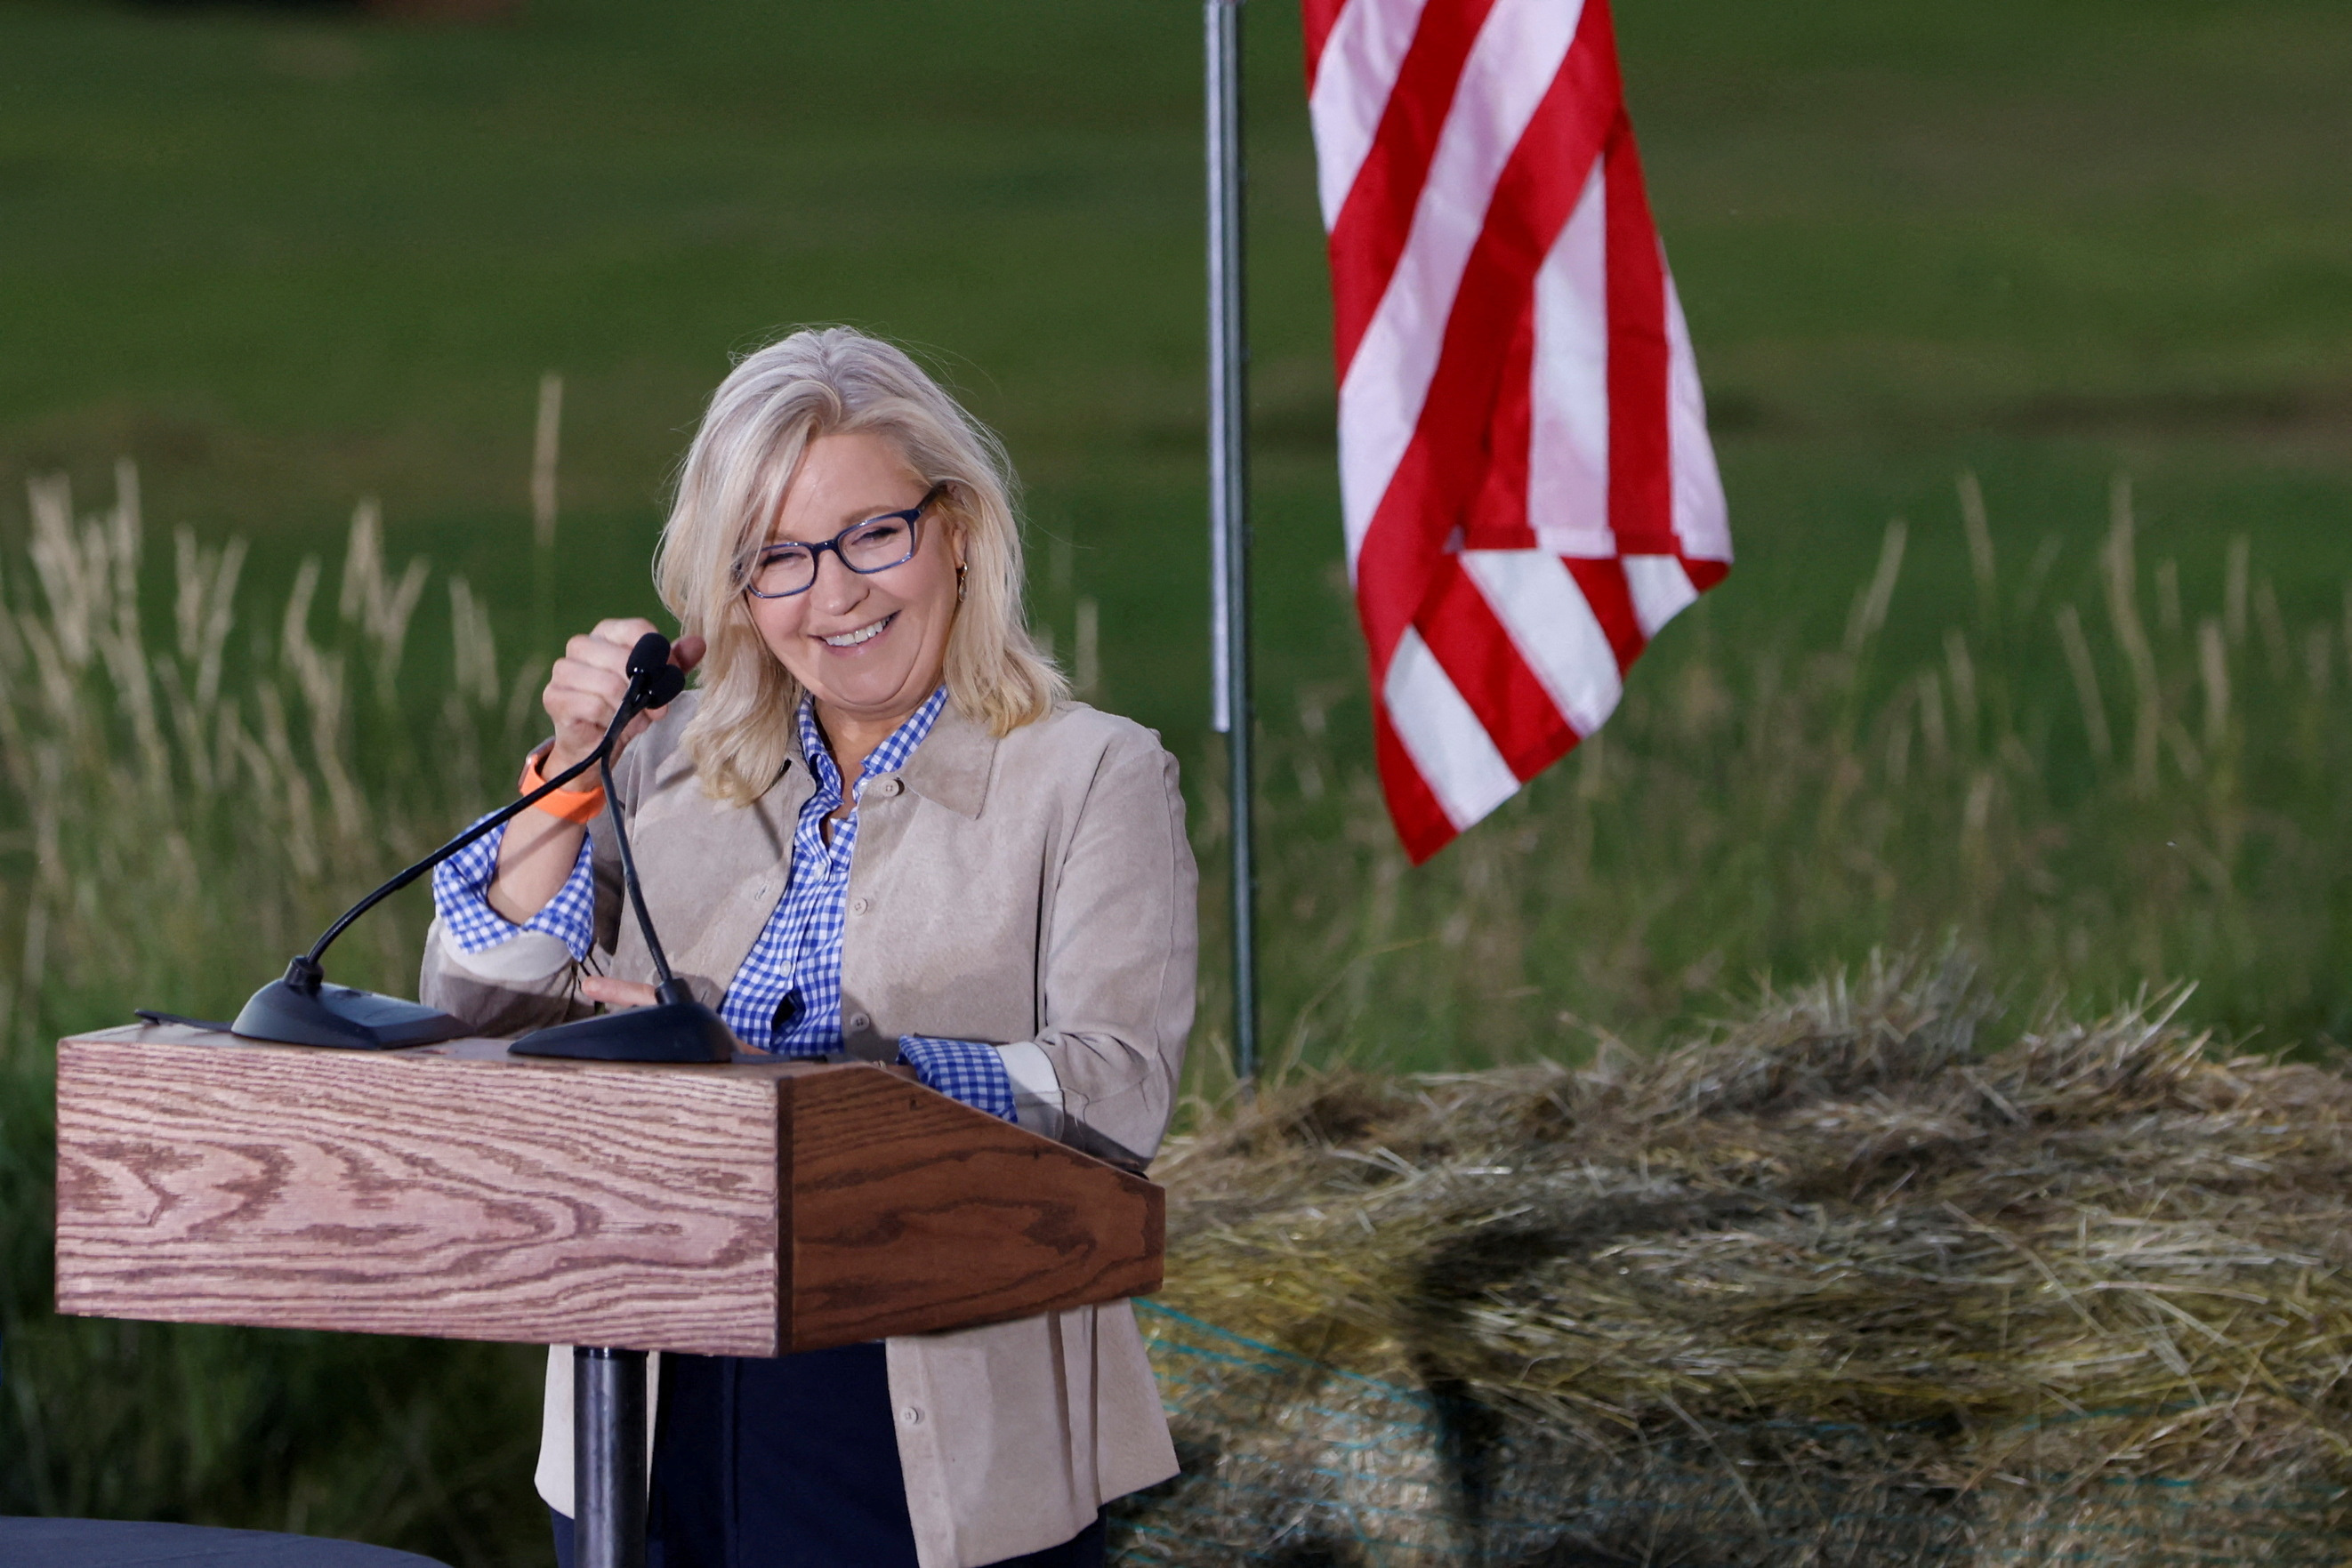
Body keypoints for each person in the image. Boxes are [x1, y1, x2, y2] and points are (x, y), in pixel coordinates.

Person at [418, 327, 1197, 1568]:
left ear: (955, 528)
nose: (834, 595)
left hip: (928, 1428)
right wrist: (569, 776)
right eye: (778, 558)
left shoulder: (1091, 775)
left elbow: (1115, 1095)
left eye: (870, 536)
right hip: (645, 1397)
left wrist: (811, 1080)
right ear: (730, 591)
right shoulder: (668, 764)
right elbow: (480, 1014)